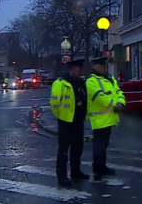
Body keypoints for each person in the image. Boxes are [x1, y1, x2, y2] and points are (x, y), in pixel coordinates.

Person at [50, 58, 90, 187]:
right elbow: (54, 104)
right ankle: (62, 176)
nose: (82, 71)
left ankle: (75, 171)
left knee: (77, 148)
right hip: (66, 121)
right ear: (72, 69)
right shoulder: (60, 83)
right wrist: (61, 117)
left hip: (78, 120)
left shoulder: (82, 83)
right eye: (79, 68)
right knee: (63, 150)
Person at [86, 57, 126, 181]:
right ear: (95, 66)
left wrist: (121, 103)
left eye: (106, 65)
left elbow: (119, 92)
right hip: (99, 119)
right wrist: (116, 105)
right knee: (99, 146)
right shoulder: (91, 81)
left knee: (104, 145)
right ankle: (97, 169)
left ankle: (102, 167)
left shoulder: (110, 79)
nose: (105, 67)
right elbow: (100, 97)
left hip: (109, 118)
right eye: (103, 65)